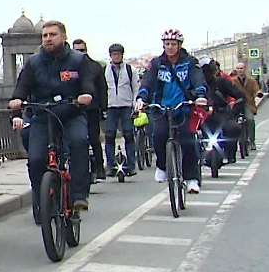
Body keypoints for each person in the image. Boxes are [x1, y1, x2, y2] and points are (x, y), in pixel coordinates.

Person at [8, 20, 96, 218]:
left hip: (71, 113)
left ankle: (79, 194)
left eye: (52, 35)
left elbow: (88, 83)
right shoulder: (34, 63)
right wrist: (17, 100)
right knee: (37, 158)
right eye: (45, 35)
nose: (48, 38)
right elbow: (23, 87)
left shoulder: (79, 60)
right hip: (43, 116)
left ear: (63, 37)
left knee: (79, 142)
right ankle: (41, 199)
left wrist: (86, 95)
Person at [134, 29, 209, 194]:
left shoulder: (189, 62)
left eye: (173, 44)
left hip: (183, 108)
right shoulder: (157, 64)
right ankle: (162, 166)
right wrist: (141, 98)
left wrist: (201, 95)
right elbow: (147, 82)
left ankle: (191, 179)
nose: (169, 47)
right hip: (161, 108)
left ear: (179, 45)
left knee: (188, 141)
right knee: (159, 135)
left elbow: (198, 80)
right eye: (167, 44)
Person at [71, 39, 108, 183]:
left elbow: (102, 88)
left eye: (82, 50)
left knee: (94, 139)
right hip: (74, 108)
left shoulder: (95, 66)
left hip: (92, 109)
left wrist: (103, 108)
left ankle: (99, 168)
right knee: (77, 141)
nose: (80, 53)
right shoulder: (69, 67)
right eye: (77, 50)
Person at [200, 57, 247, 165]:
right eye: (204, 71)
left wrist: (234, 111)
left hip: (221, 114)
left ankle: (229, 153)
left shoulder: (221, 82)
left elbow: (240, 95)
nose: (206, 74)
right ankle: (196, 156)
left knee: (233, 128)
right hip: (201, 116)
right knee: (189, 134)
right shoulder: (196, 85)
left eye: (209, 71)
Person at [103, 43, 141, 177]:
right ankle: (110, 165)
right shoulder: (104, 71)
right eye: (114, 54)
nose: (116, 56)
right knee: (109, 136)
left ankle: (131, 164)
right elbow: (102, 89)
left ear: (122, 55)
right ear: (110, 56)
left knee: (129, 135)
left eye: (118, 54)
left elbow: (136, 89)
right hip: (111, 106)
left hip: (126, 106)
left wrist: (135, 105)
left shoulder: (131, 70)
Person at [230, 62, 264, 149]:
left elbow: (257, 89)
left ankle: (252, 141)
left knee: (249, 119)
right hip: (237, 103)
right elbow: (228, 90)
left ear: (245, 69)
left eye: (241, 68)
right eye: (238, 68)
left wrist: (258, 93)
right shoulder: (232, 80)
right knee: (231, 122)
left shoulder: (251, 81)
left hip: (248, 103)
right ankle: (234, 142)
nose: (240, 70)